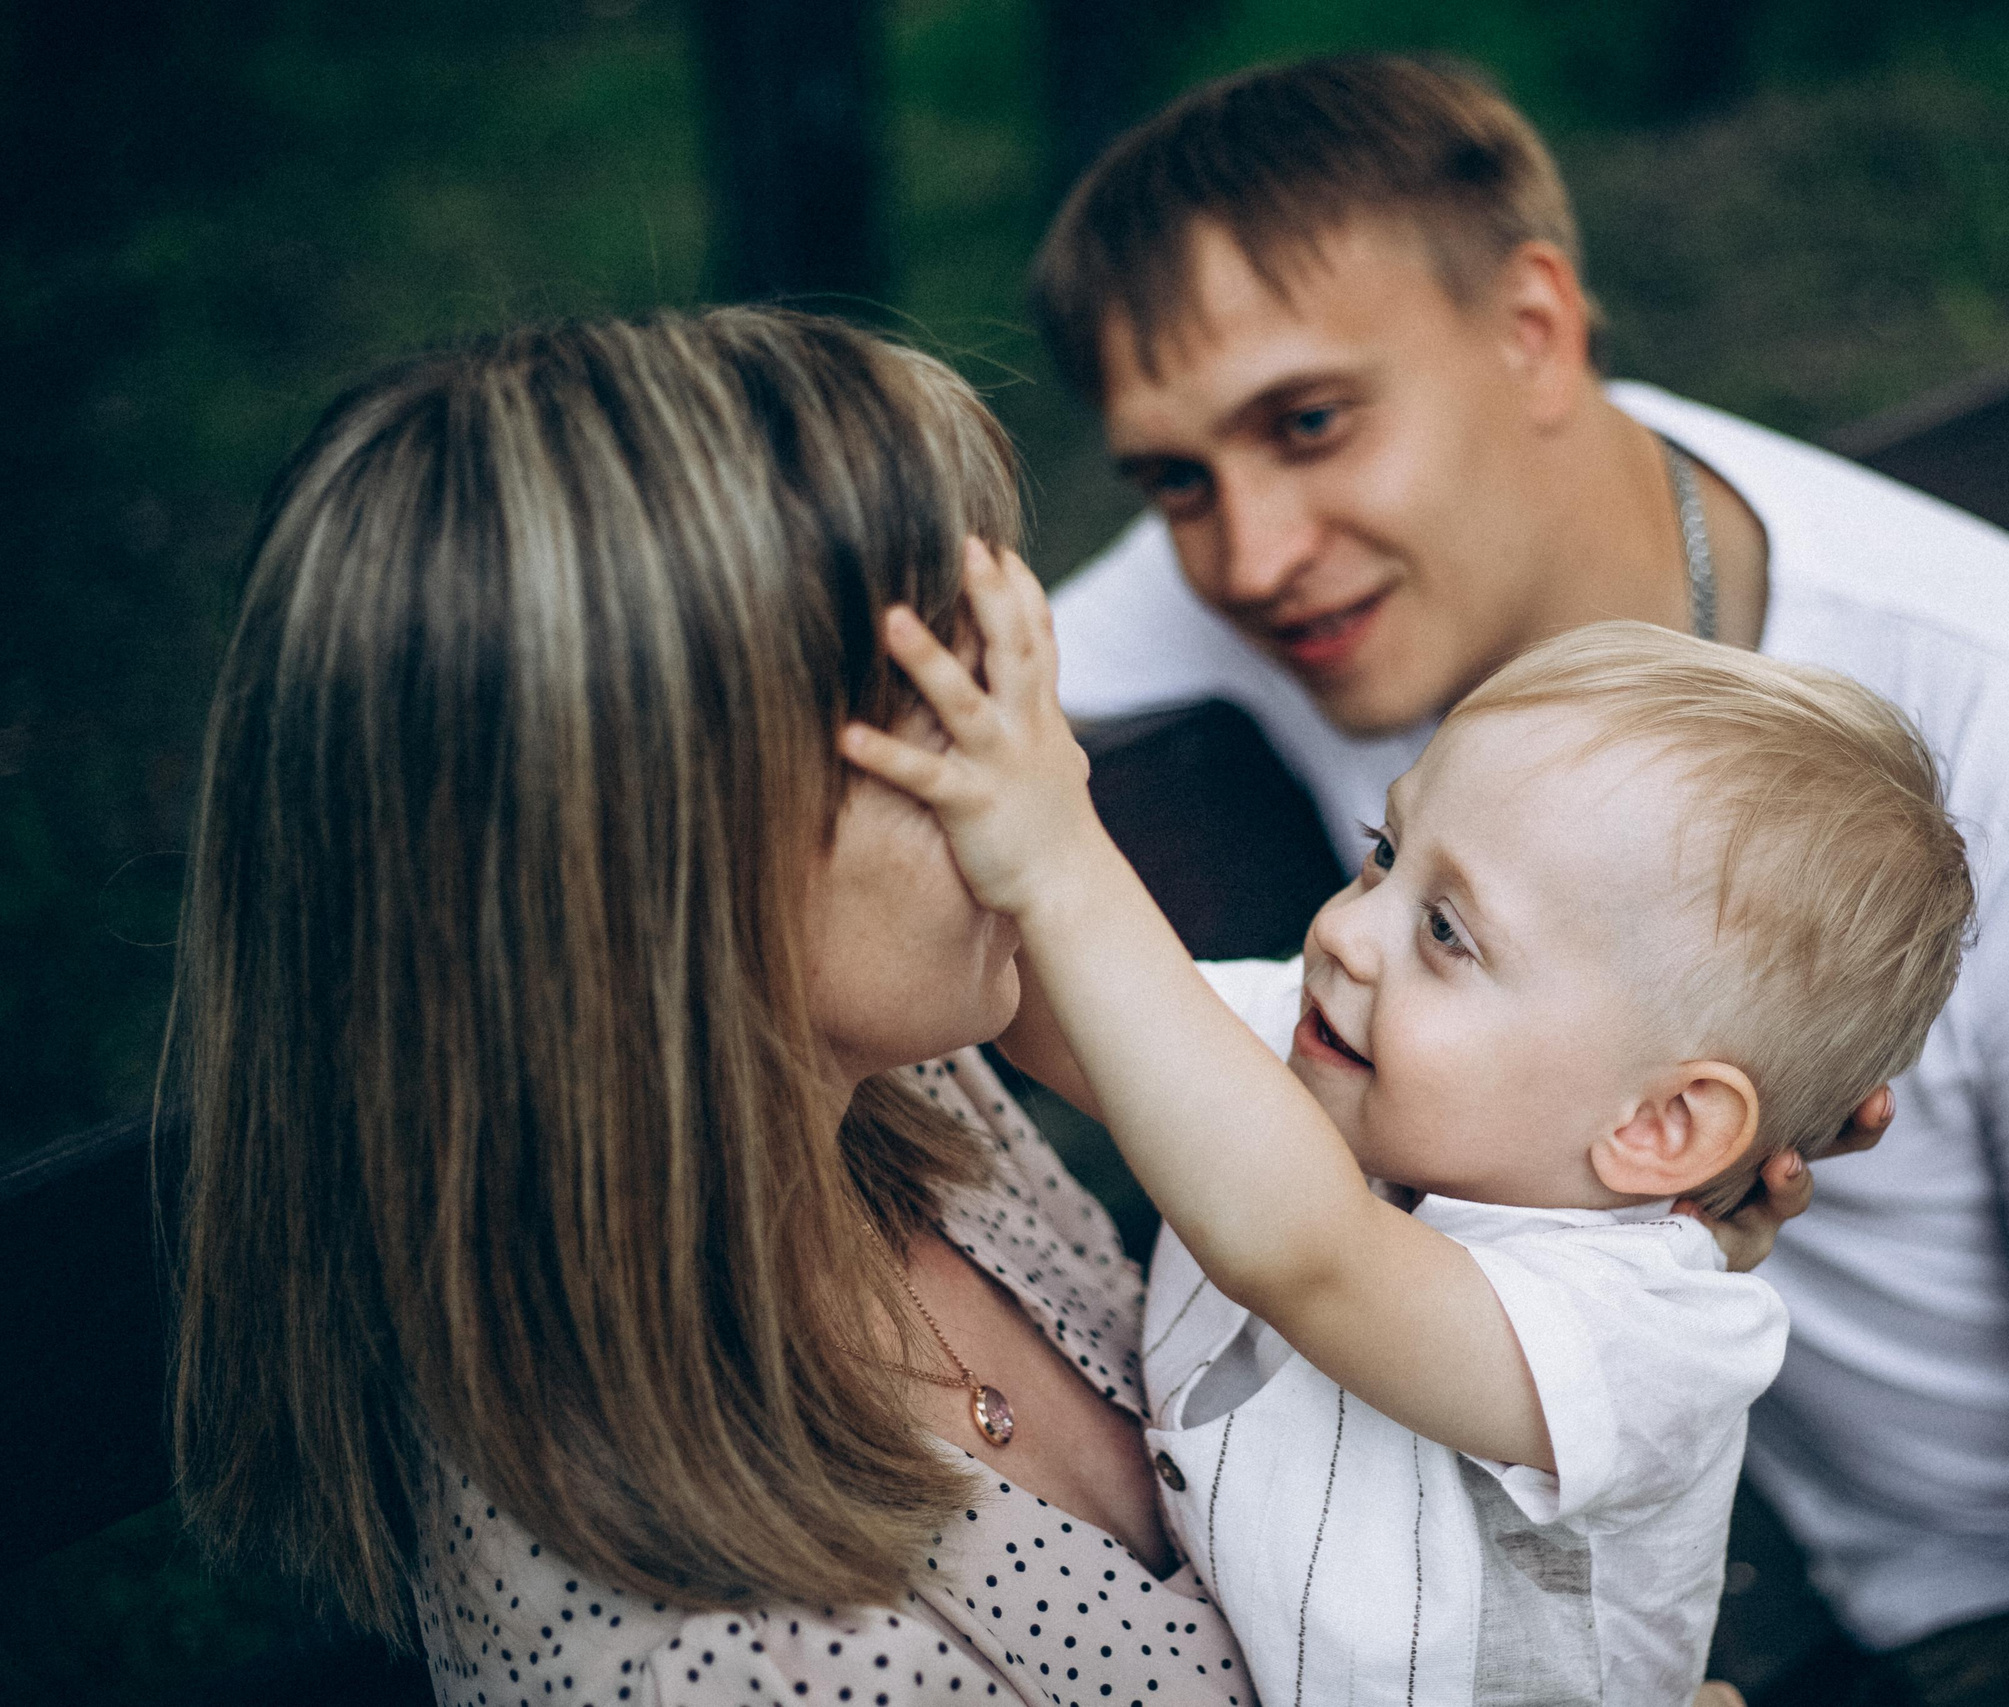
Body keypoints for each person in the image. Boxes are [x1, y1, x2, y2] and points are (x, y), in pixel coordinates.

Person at [1028, 54, 2009, 1707]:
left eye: (1309, 422)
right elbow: (896, 702)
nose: (1247, 555)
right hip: (1964, 1584)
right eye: (1175, 481)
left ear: (1534, 326)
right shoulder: (1298, 579)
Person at [166, 308, 1271, 1706]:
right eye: (943, 703)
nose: (1038, 770)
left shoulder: (891, 1072)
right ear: (665, 861)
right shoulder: (720, 1660)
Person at [847, 590, 1974, 1704]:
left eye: (1446, 931)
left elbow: (1306, 1252)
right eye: (1385, 852)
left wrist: (1055, 853)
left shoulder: (1646, 1329)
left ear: (1657, 1126)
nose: (1343, 927)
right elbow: (1082, 1026)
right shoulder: (1324, 1053)